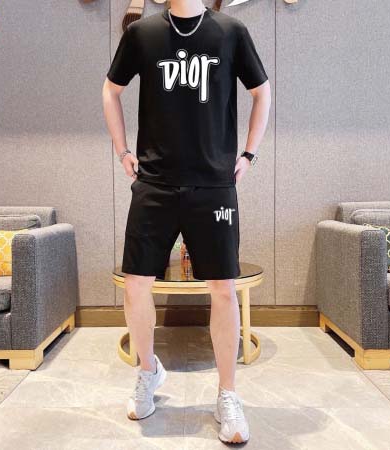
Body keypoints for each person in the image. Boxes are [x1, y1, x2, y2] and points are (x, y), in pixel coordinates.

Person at [102, 0, 271, 444]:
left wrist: (248, 154)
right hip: (154, 183)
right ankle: (148, 371)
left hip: (213, 185)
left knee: (223, 288)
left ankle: (228, 394)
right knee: (135, 284)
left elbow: (262, 92)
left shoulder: (231, 32)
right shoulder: (142, 34)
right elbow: (110, 90)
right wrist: (122, 150)